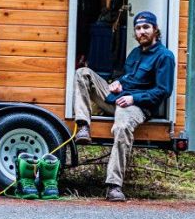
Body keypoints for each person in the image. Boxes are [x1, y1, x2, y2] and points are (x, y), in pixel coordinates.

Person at [72, 11, 176, 202]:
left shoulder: (165, 57)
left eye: (146, 27)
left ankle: (114, 186)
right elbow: (127, 77)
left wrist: (133, 99)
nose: (142, 31)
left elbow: (163, 91)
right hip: (118, 97)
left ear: (155, 30)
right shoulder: (135, 52)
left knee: (121, 127)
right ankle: (83, 126)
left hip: (137, 106)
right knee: (82, 73)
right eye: (138, 28)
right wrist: (116, 83)